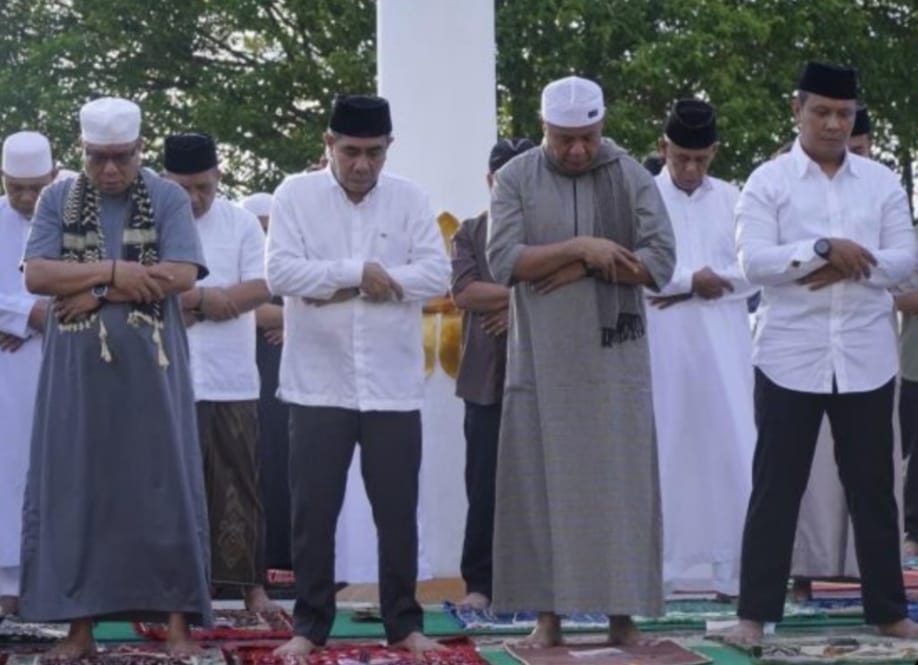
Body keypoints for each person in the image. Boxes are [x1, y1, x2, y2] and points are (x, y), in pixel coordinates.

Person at [726, 62, 918, 645]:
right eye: (823, 112)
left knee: (873, 491)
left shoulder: (881, 182)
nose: (835, 124)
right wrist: (821, 248)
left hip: (864, 357)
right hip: (788, 356)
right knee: (776, 489)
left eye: (845, 114)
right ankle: (753, 616)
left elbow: (905, 260)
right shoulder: (769, 181)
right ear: (798, 110)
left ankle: (887, 610)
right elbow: (754, 263)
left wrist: (843, 263)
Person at [19, 97, 212, 656]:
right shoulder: (58, 197)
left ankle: (177, 626)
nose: (109, 170)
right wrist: (112, 271)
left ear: (140, 151)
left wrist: (93, 292)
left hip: (153, 374)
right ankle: (80, 631)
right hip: (76, 377)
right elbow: (37, 274)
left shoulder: (169, 196)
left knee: (162, 488)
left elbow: (177, 274)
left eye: (121, 158)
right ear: (83, 152)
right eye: (98, 158)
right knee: (79, 489)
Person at [487, 75, 676, 647]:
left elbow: (662, 259)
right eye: (564, 138)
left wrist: (589, 266)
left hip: (615, 364)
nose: (577, 150)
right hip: (541, 365)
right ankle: (549, 619)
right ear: (544, 129)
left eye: (587, 138)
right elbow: (502, 261)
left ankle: (624, 619)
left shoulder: (631, 176)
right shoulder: (516, 177)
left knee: (621, 489)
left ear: (602, 127)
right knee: (541, 489)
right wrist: (580, 248)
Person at [266, 94, 451, 656]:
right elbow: (280, 272)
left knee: (397, 513)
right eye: (351, 151)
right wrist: (356, 274)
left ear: (389, 148)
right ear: (329, 145)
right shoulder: (294, 195)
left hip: (392, 387)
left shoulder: (411, 199)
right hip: (317, 383)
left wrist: (352, 286)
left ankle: (405, 623)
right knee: (312, 513)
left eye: (374, 152)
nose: (363, 164)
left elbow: (436, 274)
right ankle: (308, 627)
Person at [644, 99, 756, 599]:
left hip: (724, 347)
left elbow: (754, 271)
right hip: (661, 347)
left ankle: (733, 572)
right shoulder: (642, 198)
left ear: (713, 152)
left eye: (700, 159)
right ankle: (661, 571)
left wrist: (697, 285)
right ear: (662, 148)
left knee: (731, 446)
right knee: (665, 446)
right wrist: (691, 280)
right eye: (680, 158)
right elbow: (633, 269)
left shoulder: (735, 198)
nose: (690, 169)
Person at [163, 133, 275, 611]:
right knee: (166, 485)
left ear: (218, 177)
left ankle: (251, 590)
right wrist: (217, 301)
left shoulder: (242, 223)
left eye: (202, 187)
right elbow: (138, 286)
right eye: (183, 187)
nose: (193, 198)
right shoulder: (148, 223)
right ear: (166, 181)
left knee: (238, 481)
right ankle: (168, 594)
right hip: (165, 378)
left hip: (231, 377)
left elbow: (263, 285)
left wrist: (199, 301)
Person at [450, 137, 535, 611]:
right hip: (485, 380)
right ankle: (479, 584)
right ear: (490, 181)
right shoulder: (469, 231)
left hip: (543, 378)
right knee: (484, 487)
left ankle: (540, 585)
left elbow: (563, 285)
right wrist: (524, 296)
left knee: (543, 488)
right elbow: (464, 292)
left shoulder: (547, 231)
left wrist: (513, 306)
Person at [0, 131, 54, 617]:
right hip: (6, 375)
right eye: (15, 187)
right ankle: (8, 587)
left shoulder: (75, 216)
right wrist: (24, 316)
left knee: (60, 471)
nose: (25, 198)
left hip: (67, 367)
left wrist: (35, 318)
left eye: (35, 187)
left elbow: (98, 283)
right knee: (9, 471)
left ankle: (62, 588)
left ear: (53, 178)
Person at [240, 192, 291, 574]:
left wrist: (289, 319)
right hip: (247, 368)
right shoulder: (240, 256)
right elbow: (248, 307)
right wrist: (287, 317)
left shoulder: (288, 257)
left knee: (283, 464)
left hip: (286, 373)